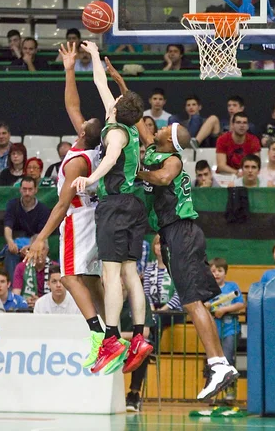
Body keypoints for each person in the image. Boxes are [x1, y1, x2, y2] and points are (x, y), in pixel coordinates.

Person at [107, 59, 240, 400]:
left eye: (166, 130)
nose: (160, 129)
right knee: (195, 304)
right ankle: (219, 363)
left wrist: (137, 175)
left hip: (181, 230)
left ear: (172, 140)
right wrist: (120, 80)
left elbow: (164, 178)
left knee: (192, 303)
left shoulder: (174, 161)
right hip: (172, 234)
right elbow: (135, 113)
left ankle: (218, 364)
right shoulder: (153, 148)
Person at [71, 42, 152, 375]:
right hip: (135, 205)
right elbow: (101, 84)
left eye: (115, 100)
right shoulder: (127, 126)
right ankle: (140, 336)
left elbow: (114, 157)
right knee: (131, 272)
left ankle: (113, 337)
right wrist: (91, 54)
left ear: (118, 108)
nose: (111, 99)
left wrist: (90, 179)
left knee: (111, 275)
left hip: (116, 204)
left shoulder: (116, 132)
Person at [26, 42, 104, 366]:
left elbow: (60, 206)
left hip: (77, 217)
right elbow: (72, 106)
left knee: (70, 277)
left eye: (85, 123)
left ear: (85, 134)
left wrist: (42, 236)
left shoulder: (75, 163)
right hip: (94, 215)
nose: (81, 120)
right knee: (89, 279)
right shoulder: (91, 145)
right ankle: (111, 330)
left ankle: (97, 333)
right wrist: (69, 68)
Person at [208, 257, 245, 401]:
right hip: (212, 331)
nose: (216, 274)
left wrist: (224, 310)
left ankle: (230, 391)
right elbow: (204, 305)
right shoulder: (208, 288)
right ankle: (214, 393)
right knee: (214, 363)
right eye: (213, 271)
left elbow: (240, 304)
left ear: (225, 272)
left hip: (230, 330)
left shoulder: (232, 286)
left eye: (219, 270)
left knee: (228, 359)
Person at [3, 176, 51, 281]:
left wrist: (31, 247)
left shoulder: (43, 209)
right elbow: (8, 226)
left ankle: (36, 290)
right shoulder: (12, 205)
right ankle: (13, 287)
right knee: (10, 252)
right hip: (17, 243)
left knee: (40, 253)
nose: (27, 193)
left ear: (35, 190)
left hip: (36, 242)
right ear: (20, 189)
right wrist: (10, 241)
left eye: (30, 189)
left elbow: (42, 234)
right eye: (24, 189)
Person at [143, 234, 183, 348]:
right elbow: (146, 292)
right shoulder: (149, 268)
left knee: (156, 318)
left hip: (173, 310)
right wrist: (151, 309)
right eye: (157, 243)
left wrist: (163, 310)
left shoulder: (176, 267)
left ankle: (153, 349)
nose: (160, 247)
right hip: (154, 308)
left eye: (163, 244)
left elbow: (179, 294)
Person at [121, 280, 155, 412]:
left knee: (142, 349)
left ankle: (133, 394)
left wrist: (118, 335)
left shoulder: (139, 299)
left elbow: (145, 332)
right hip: (113, 344)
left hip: (133, 344)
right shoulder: (105, 297)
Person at [12, 238, 56, 308]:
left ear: (47, 251)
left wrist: (40, 302)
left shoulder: (55, 268)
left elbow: (61, 293)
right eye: (36, 250)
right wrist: (25, 300)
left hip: (50, 308)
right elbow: (16, 295)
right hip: (26, 307)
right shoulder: (21, 267)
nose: (39, 253)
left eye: (43, 249)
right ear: (30, 251)